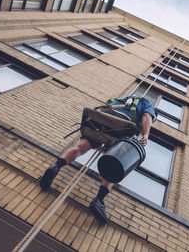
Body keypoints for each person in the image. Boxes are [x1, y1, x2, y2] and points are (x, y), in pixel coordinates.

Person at [39, 95, 156, 224]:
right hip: (121, 124)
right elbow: (147, 117)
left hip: (101, 117)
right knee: (115, 163)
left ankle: (55, 167)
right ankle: (99, 200)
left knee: (80, 147)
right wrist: (145, 134)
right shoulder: (147, 104)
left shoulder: (124, 99)